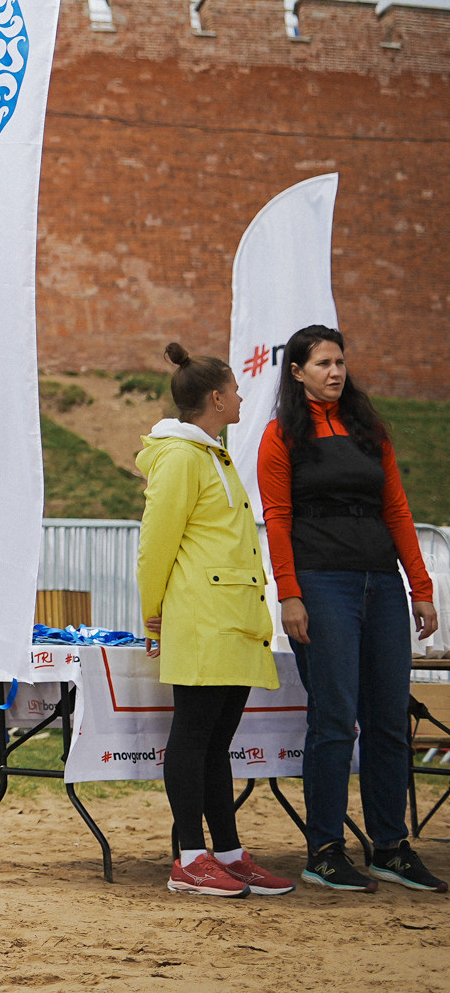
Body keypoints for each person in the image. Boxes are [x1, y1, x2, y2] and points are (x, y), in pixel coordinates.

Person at [259, 324, 444, 893]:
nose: (335, 372)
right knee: (335, 720)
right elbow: (277, 519)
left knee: (389, 721)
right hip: (321, 586)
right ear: (297, 372)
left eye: (339, 362)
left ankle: (390, 847)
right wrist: (290, 593)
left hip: (382, 586)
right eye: (322, 364)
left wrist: (421, 585)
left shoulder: (369, 430)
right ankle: (325, 850)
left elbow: (396, 507)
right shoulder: (279, 435)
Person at [135, 343, 298, 898]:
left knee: (216, 740)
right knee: (194, 735)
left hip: (230, 617)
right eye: (233, 390)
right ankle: (189, 856)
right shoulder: (182, 457)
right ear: (215, 397)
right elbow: (156, 543)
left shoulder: (212, 454)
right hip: (201, 618)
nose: (241, 397)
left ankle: (225, 851)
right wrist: (152, 612)